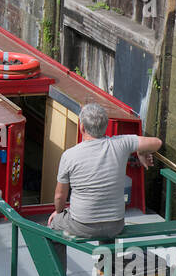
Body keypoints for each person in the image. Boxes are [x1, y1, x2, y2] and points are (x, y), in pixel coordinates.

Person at [48, 102, 162, 242]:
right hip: (115, 225)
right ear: (105, 126)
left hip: (82, 225)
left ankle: (59, 265)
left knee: (53, 226)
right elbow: (157, 142)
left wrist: (58, 213)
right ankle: (107, 263)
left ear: (82, 127)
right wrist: (140, 151)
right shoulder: (122, 143)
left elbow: (60, 195)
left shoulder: (69, 155)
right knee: (107, 229)